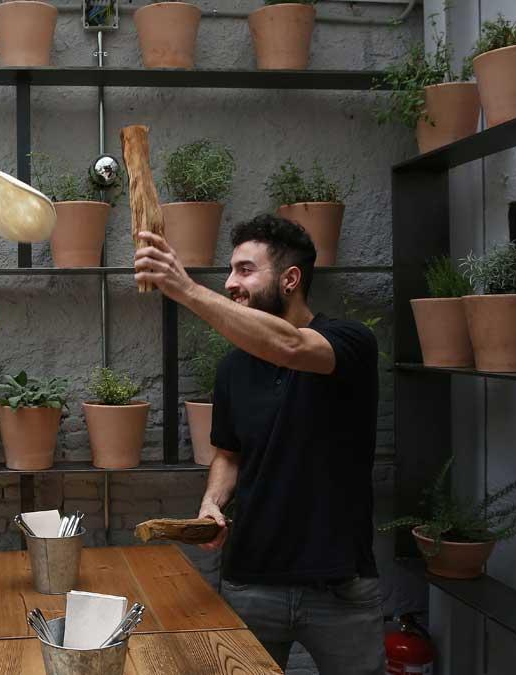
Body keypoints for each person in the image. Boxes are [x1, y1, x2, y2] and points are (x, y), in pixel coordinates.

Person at [133, 214, 383, 674]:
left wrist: (185, 288)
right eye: (230, 270)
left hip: (340, 587)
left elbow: (290, 346)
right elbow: (229, 452)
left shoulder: (351, 343)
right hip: (251, 580)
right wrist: (212, 502)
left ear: (290, 279)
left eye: (245, 270)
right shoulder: (233, 369)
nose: (230, 282)